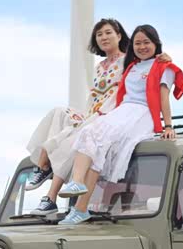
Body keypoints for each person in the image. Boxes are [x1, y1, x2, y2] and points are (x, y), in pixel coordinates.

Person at [24, 18, 171, 215]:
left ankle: (51, 196)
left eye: (108, 32)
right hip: (93, 113)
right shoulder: (99, 66)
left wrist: (164, 57)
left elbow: (150, 60)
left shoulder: (129, 61)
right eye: (99, 34)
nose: (104, 37)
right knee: (58, 113)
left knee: (75, 138)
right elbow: (93, 97)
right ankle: (43, 165)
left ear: (119, 36)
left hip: (112, 114)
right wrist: (85, 116)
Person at [56, 24, 183, 225]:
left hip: (142, 113)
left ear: (156, 43)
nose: (142, 47)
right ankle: (78, 192)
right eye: (137, 43)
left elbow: (163, 98)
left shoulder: (164, 67)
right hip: (123, 110)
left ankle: (80, 201)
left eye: (146, 42)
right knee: (90, 135)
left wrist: (168, 126)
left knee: (100, 139)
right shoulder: (131, 66)